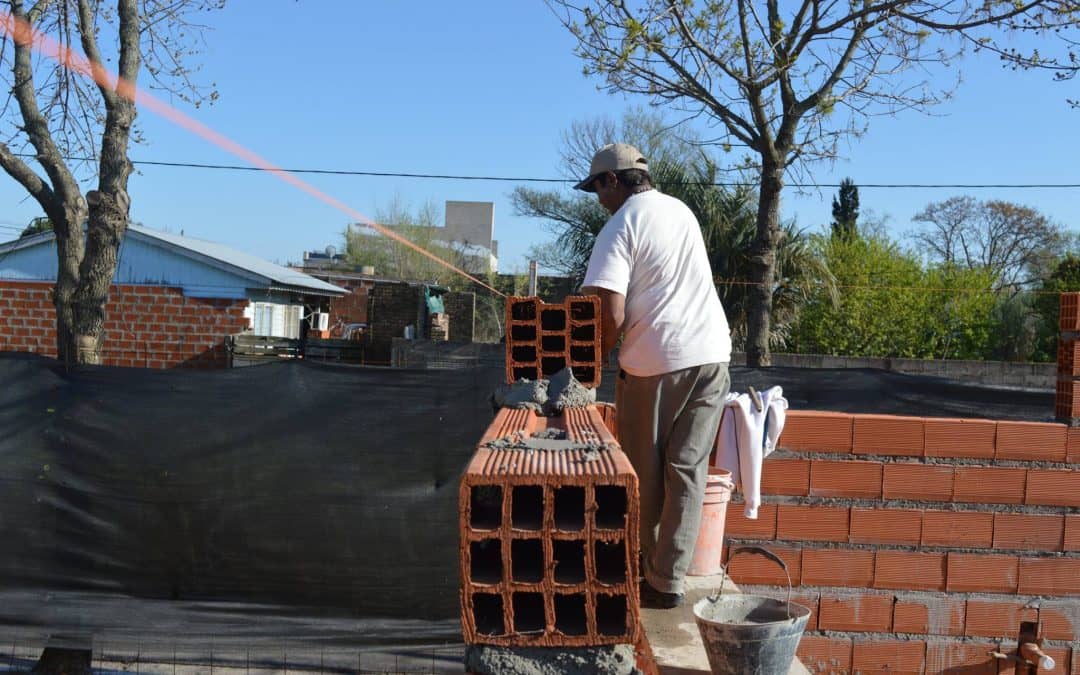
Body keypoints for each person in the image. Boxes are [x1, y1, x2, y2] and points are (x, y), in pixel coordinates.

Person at [577, 143, 732, 609]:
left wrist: (592, 365)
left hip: (657, 363)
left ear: (612, 181)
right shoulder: (680, 211)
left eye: (597, 188)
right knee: (687, 471)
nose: (598, 198)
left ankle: (641, 570)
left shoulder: (621, 223)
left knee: (643, 473)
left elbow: (608, 307)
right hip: (712, 356)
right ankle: (668, 583)